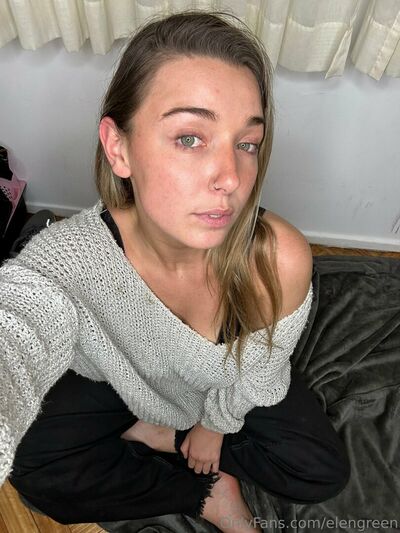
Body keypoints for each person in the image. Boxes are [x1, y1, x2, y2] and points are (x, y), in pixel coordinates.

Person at [0, 11, 350, 532]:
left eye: (246, 143)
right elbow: (16, 327)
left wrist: (210, 427)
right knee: (37, 467)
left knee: (320, 470)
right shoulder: (63, 263)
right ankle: (203, 492)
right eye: (190, 138)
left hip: (223, 390)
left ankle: (157, 435)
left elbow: (260, 371)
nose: (231, 178)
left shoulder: (276, 258)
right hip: (120, 384)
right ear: (119, 148)